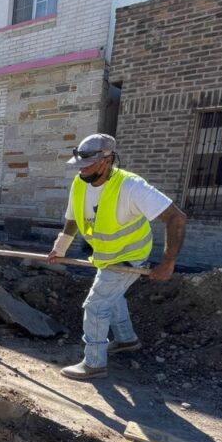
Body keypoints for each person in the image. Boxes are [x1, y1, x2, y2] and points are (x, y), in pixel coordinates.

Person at [48, 133, 187, 381]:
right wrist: (60, 248)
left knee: (96, 305)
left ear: (107, 160)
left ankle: (94, 364)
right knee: (112, 296)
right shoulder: (80, 183)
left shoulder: (132, 187)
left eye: (87, 165)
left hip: (130, 256)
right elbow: (72, 219)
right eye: (78, 164)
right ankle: (126, 340)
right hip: (106, 256)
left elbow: (176, 217)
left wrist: (168, 262)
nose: (81, 170)